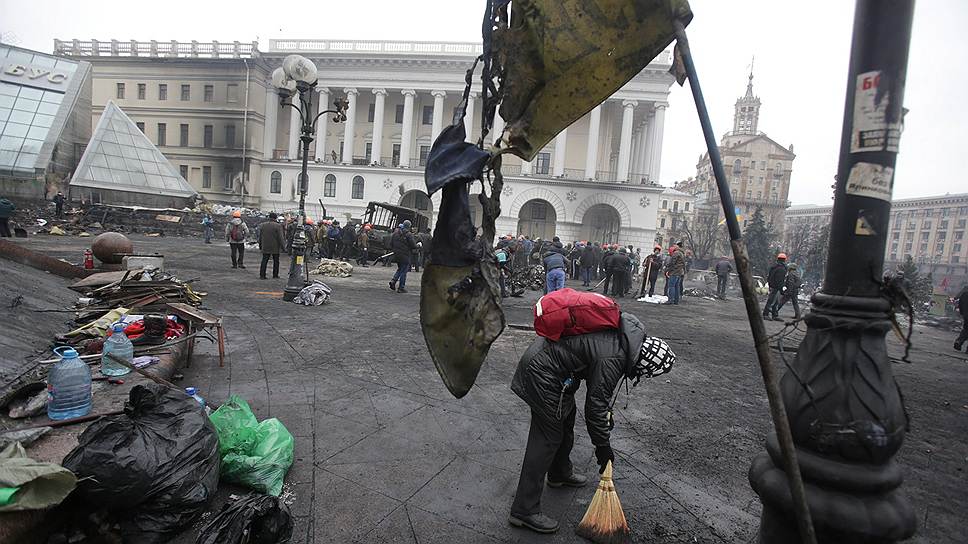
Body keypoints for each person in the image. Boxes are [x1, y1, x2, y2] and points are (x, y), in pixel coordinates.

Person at [508, 312, 675, 534]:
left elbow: (599, 395)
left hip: (556, 371)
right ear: (644, 363)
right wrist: (603, 447)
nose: (641, 376)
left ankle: (559, 473)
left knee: (565, 421)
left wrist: (606, 415)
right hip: (543, 373)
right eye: (646, 372)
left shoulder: (625, 340)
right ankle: (523, 510)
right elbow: (595, 407)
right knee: (547, 438)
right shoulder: (614, 357)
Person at [389, 222, 418, 293]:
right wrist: (418, 246)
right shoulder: (409, 234)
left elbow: (391, 244)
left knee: (400, 269)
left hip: (396, 254)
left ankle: (393, 281)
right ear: (409, 226)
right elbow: (413, 245)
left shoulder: (395, 234)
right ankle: (401, 287)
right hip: (405, 255)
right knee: (404, 271)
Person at [258, 212, 286, 279]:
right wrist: (283, 247)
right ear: (275, 218)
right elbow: (280, 238)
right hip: (275, 247)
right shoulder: (278, 226)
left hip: (265, 246)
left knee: (264, 260)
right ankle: (275, 275)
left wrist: (260, 245)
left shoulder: (262, 225)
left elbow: (260, 237)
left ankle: (262, 275)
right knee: (276, 261)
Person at [763, 253, 789, 321]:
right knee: (771, 301)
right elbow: (780, 280)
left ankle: (774, 315)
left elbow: (769, 277)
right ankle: (766, 314)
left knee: (775, 301)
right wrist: (781, 289)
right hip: (776, 287)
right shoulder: (782, 269)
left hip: (772, 286)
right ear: (785, 260)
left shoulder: (774, 267)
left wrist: (770, 284)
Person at [955, 286, 968, 352]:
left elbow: (960, 304)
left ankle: (959, 341)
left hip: (966, 315)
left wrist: (962, 313)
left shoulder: (965, 294)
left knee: (966, 329)